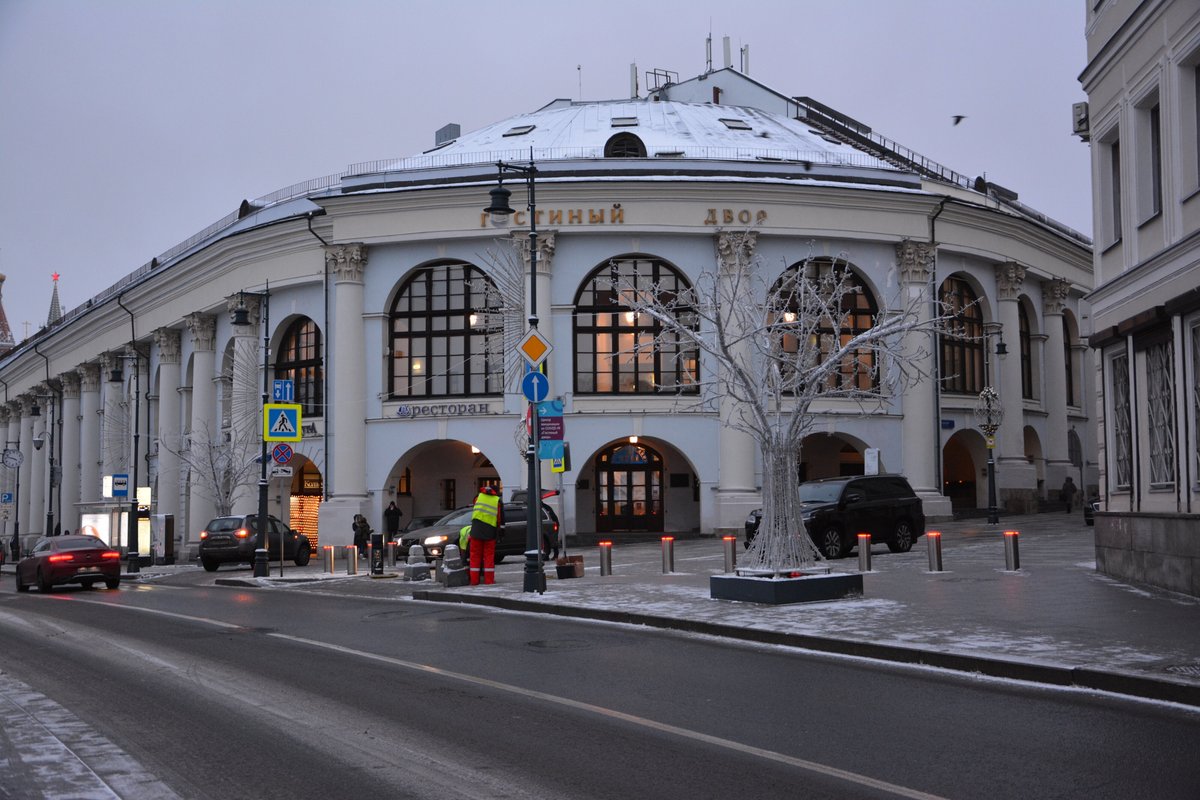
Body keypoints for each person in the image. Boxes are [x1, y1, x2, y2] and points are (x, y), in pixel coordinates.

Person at [468, 486, 502, 585]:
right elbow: (499, 518)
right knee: (489, 557)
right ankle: (489, 581)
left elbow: (475, 505)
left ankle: (474, 581)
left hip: (476, 530)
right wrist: (500, 531)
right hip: (490, 531)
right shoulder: (497, 500)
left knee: (474, 556)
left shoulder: (478, 497)